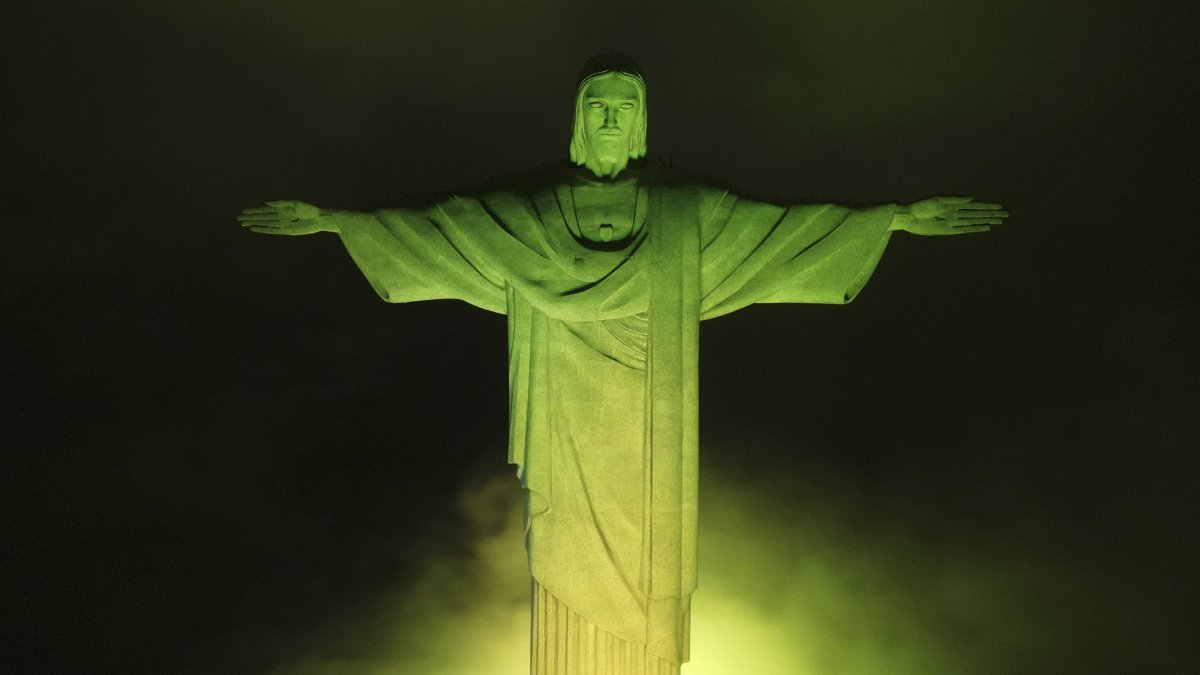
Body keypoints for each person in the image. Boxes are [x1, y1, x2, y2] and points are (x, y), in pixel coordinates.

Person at [239, 53, 1007, 675]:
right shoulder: (533, 208)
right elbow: (443, 231)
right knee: (564, 547)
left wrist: (897, 219)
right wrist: (335, 224)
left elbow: (784, 232)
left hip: (650, 421)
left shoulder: (685, 212)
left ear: (641, 123)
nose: (610, 117)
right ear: (578, 119)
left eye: (623, 107)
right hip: (566, 414)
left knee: (646, 567)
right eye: (597, 106)